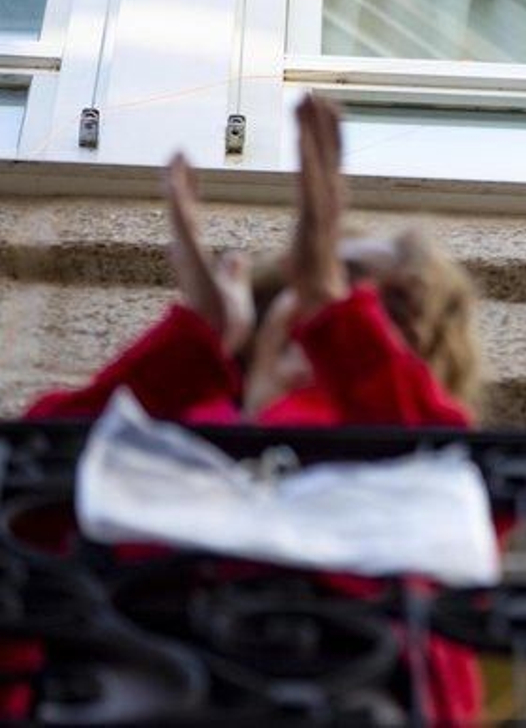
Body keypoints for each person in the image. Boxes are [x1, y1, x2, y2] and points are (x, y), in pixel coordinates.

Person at [19, 95, 486, 726]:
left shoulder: (435, 450)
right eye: (335, 282)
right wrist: (192, 345)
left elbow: (465, 494)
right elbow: (25, 487)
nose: (348, 307)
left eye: (385, 310)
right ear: (269, 316)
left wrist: (332, 309)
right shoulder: (176, 421)